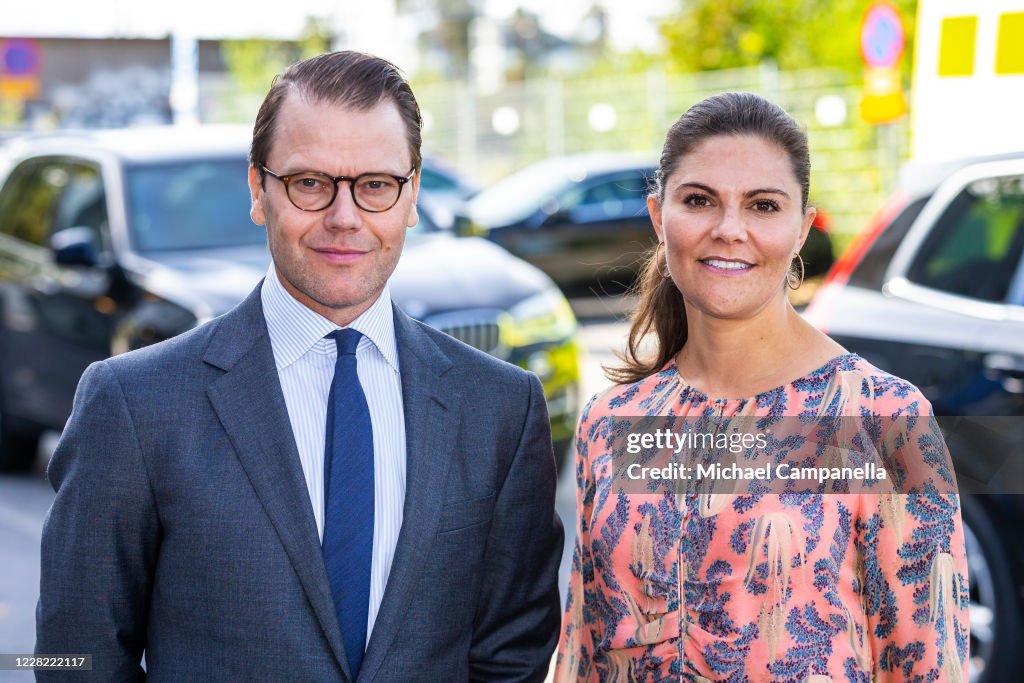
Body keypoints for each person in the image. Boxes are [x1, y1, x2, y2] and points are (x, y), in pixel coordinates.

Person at [36, 51, 563, 682]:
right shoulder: (133, 403)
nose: (345, 218)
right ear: (260, 190)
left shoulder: (500, 407)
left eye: (375, 185)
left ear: (413, 195)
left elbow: (512, 653)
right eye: (310, 183)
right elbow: (74, 655)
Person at [554, 92, 969, 682]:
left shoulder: (884, 418)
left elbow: (929, 667)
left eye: (763, 206)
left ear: (802, 229)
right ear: (657, 215)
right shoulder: (612, 421)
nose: (729, 230)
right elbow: (581, 655)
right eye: (699, 200)